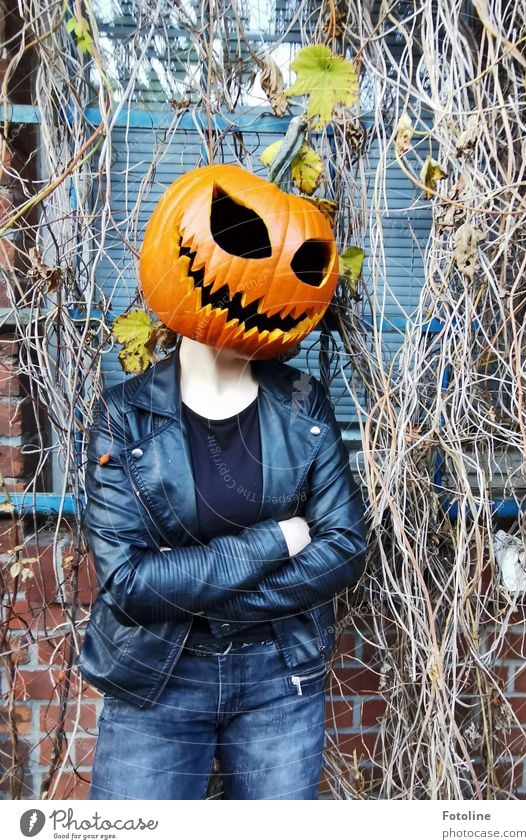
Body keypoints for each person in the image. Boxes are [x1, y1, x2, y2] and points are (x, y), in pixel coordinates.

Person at [76, 165, 367, 800]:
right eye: (244, 245)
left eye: (301, 262)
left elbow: (343, 547)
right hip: (156, 671)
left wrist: (215, 598)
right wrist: (274, 542)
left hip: (276, 674)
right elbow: (127, 582)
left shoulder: (303, 405)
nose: (265, 278)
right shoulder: (126, 414)